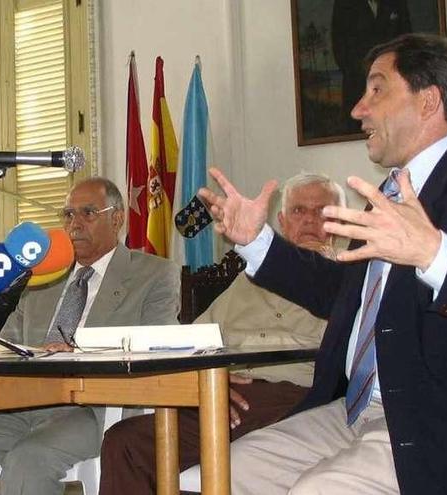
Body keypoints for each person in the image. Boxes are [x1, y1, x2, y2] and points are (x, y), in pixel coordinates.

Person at [199, 33, 447, 495]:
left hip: (442, 427)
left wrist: (435, 254)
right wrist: (257, 241)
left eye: (377, 90)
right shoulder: (389, 196)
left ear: (428, 101)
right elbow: (342, 293)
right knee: (214, 477)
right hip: (352, 411)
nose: (358, 108)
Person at [99, 173, 346, 494]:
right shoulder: (249, 278)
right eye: (300, 211)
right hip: (224, 392)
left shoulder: (355, 278)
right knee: (124, 441)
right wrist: (209, 379)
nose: (311, 221)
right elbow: (196, 339)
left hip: (298, 396)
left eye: (322, 211)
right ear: (283, 221)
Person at [0, 177, 180, 495]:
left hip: (94, 409)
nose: (75, 224)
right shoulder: (43, 278)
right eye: (68, 214)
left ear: (117, 217)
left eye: (88, 213)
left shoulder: (154, 274)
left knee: (28, 460)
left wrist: (79, 350)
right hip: (24, 403)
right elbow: (7, 344)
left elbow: (158, 345)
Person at [332, 0, 410, 133]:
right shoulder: (344, 4)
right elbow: (339, 45)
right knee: (355, 130)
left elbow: (407, 42)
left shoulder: (397, 3)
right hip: (356, 84)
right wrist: (359, 70)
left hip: (392, 84)